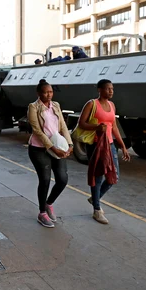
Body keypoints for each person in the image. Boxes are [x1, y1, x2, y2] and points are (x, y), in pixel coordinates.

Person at [77, 79, 130, 225]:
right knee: (98, 176)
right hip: (95, 144)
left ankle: (95, 197)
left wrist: (123, 146)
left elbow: (113, 127)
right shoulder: (92, 104)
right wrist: (96, 127)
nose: (111, 91)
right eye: (107, 89)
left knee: (114, 176)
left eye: (112, 89)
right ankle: (97, 209)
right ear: (99, 90)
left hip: (110, 144)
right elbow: (81, 123)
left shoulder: (112, 105)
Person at [27, 79, 74, 228]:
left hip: (57, 146)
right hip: (39, 149)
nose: (49, 95)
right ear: (39, 93)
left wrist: (70, 144)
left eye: (51, 92)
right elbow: (37, 131)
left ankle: (49, 204)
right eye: (45, 92)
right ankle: (42, 213)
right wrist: (52, 148)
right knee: (45, 179)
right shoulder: (33, 107)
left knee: (62, 179)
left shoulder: (56, 106)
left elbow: (63, 126)